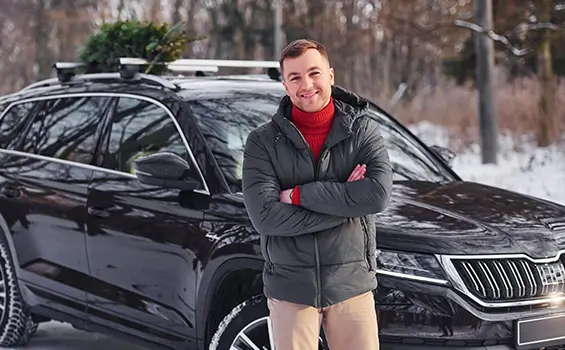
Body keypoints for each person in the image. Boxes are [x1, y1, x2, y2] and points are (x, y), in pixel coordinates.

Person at [242, 39, 393, 350]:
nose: (306, 85)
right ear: (285, 84)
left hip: (351, 285)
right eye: (295, 77)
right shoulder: (262, 142)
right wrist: (347, 203)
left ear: (331, 76)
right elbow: (266, 217)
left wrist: (298, 195)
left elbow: (376, 196)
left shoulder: (362, 131)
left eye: (314, 73)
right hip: (291, 289)